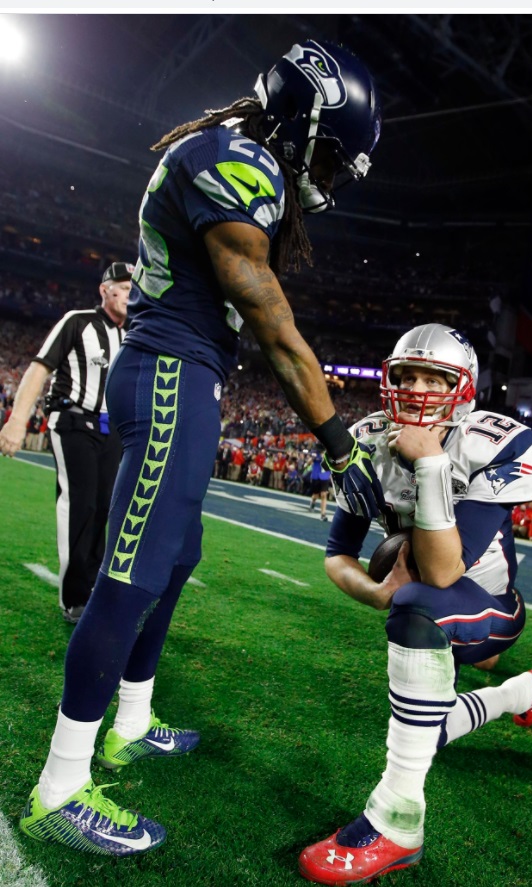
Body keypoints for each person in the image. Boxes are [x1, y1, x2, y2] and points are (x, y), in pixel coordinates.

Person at [18, 39, 386, 857]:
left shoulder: (237, 159)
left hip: (189, 375)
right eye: (326, 149)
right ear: (298, 122)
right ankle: (60, 784)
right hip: (167, 375)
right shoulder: (234, 162)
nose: (326, 171)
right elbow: (275, 328)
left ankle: (133, 719)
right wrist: (337, 445)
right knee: (132, 572)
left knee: (175, 558)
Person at [298, 323, 532, 885]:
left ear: (462, 389)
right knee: (424, 723)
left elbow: (441, 573)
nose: (416, 389)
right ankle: (523, 690)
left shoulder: (497, 440)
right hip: (425, 603)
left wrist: (432, 464)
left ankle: (396, 822)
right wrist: (373, 591)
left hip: (490, 605)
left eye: (433, 377)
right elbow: (337, 554)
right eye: (406, 375)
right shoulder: (369, 440)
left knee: (418, 607)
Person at [0, 263, 132, 623]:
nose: (131, 292)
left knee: (104, 508)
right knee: (81, 504)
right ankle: (74, 597)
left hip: (113, 428)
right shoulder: (77, 321)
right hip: (73, 420)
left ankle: (91, 590)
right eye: (123, 286)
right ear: (105, 290)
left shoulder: (133, 335)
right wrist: (16, 421)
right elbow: (39, 369)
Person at [309, 449, 332, 520]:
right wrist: (313, 458)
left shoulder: (331, 452)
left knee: (323, 494)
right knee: (316, 495)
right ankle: (313, 501)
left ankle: (323, 514)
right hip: (316, 475)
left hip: (325, 475)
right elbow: (309, 462)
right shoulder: (315, 452)